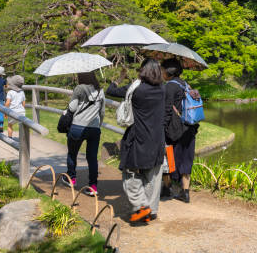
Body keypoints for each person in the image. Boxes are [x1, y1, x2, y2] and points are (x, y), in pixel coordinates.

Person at [107, 59, 165, 223]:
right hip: (157, 139)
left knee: (130, 173)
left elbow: (111, 91)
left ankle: (141, 206)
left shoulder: (136, 90)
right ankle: (151, 211)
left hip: (138, 138)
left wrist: (120, 78)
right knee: (153, 176)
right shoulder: (162, 89)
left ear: (143, 71)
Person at [162, 58, 199, 204]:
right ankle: (185, 192)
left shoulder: (169, 87)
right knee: (186, 159)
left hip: (174, 130)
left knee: (168, 156)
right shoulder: (186, 85)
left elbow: (166, 110)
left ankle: (167, 187)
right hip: (189, 127)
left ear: (168, 72)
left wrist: (161, 127)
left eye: (162, 69)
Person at [62, 72, 105, 197]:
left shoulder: (79, 88)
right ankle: (93, 186)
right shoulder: (100, 91)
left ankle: (71, 178)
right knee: (92, 158)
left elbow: (72, 107)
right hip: (94, 129)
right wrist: (98, 125)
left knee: (72, 153)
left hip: (77, 127)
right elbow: (102, 112)